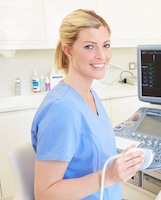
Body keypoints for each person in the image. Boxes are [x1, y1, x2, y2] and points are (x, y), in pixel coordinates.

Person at [31, 9, 144, 200]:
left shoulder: (89, 94)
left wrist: (120, 164)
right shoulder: (60, 109)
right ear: (68, 50)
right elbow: (45, 194)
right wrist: (108, 176)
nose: (102, 55)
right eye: (90, 47)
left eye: (106, 45)